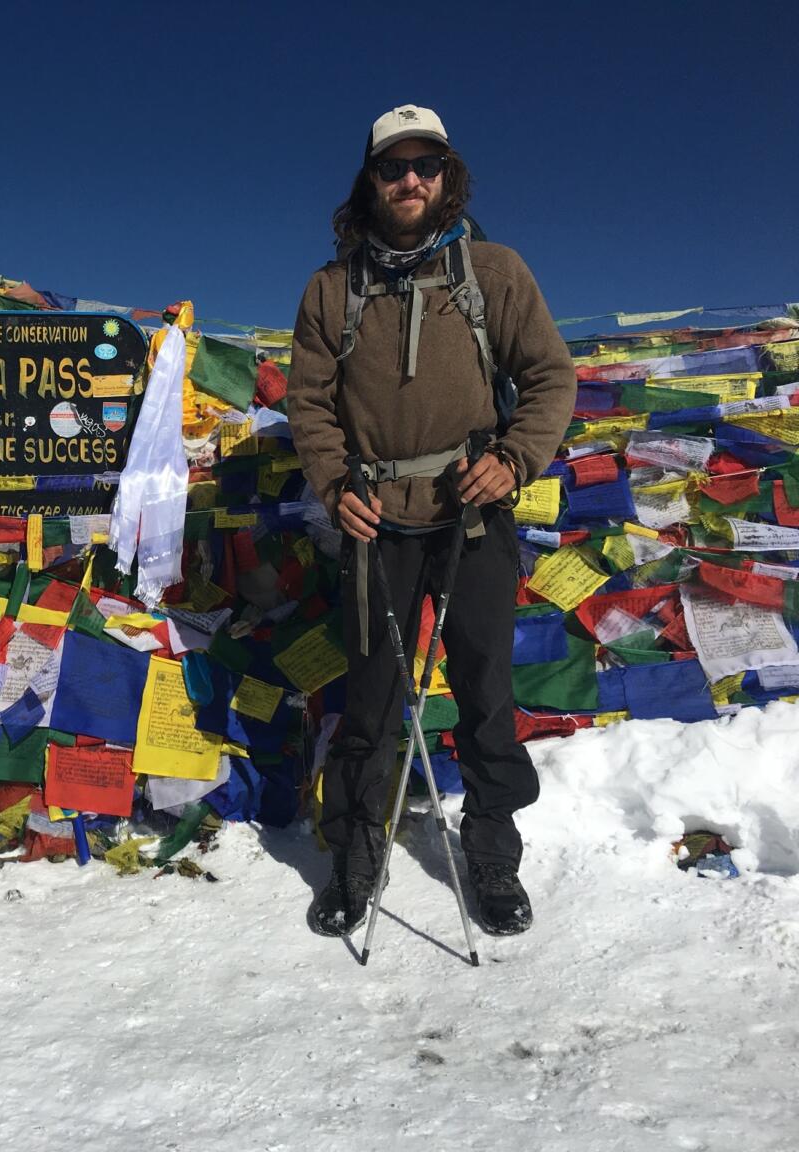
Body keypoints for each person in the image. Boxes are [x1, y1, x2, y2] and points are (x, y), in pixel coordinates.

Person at [285, 105, 577, 937]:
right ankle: (354, 852)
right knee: (373, 699)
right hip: (375, 523)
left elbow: (551, 378)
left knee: (485, 689)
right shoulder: (331, 289)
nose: (409, 180)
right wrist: (334, 481)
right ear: (369, 181)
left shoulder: (495, 272)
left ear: (448, 177)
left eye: (426, 165)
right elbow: (310, 403)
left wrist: (515, 459)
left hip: (472, 519)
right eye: (392, 167)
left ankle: (491, 852)